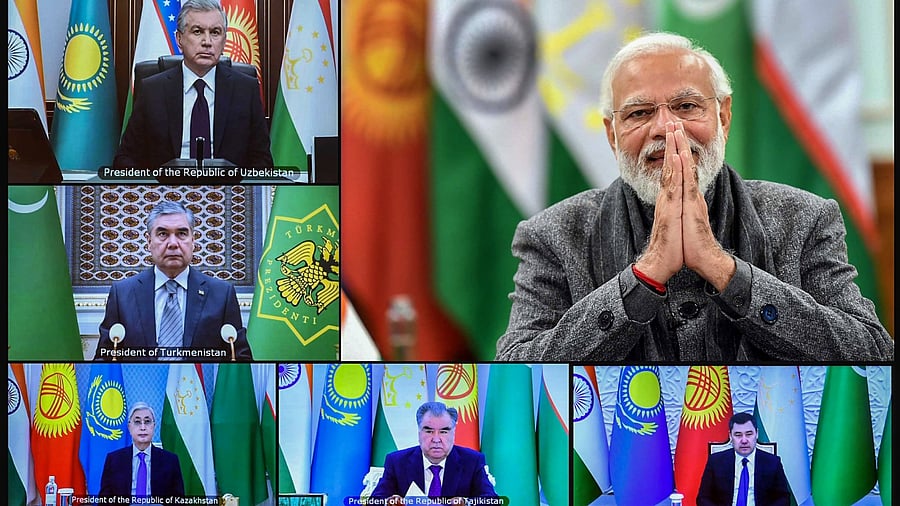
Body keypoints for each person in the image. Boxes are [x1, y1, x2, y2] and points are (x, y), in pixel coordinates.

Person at [496, 32, 893, 362]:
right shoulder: (553, 235)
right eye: (639, 113)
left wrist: (723, 269)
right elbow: (516, 375)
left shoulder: (803, 218)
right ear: (612, 134)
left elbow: (873, 354)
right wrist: (645, 274)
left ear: (724, 117)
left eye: (686, 106)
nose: (666, 128)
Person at [113, 0, 273, 169]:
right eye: (197, 32)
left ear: (224, 41)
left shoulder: (246, 90)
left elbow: (262, 161)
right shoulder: (152, 90)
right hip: (167, 184)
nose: (207, 41)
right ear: (179, 39)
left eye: (215, 32)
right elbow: (125, 158)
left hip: (228, 184)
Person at [94, 200, 251, 361]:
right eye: (163, 234)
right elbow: (105, 359)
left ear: (193, 240)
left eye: (182, 233)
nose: (173, 244)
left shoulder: (222, 294)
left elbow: (239, 359)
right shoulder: (122, 294)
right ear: (149, 241)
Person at [371, 401, 497, 503]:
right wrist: (389, 502)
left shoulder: (472, 461)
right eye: (429, 431)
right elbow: (375, 500)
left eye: (443, 431)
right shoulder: (397, 462)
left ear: (453, 433)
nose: (436, 439)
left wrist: (467, 503)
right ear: (419, 432)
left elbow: (491, 500)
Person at [697, 412, 790, 506]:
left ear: (757, 434)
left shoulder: (773, 462)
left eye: (749, 434)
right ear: (730, 436)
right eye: (738, 435)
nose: (744, 440)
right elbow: (703, 498)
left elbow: (784, 498)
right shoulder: (716, 462)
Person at [99, 402, 185, 499]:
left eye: (147, 422)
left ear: (154, 426)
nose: (143, 427)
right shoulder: (114, 460)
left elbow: (178, 500)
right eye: (137, 422)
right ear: (129, 427)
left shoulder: (170, 461)